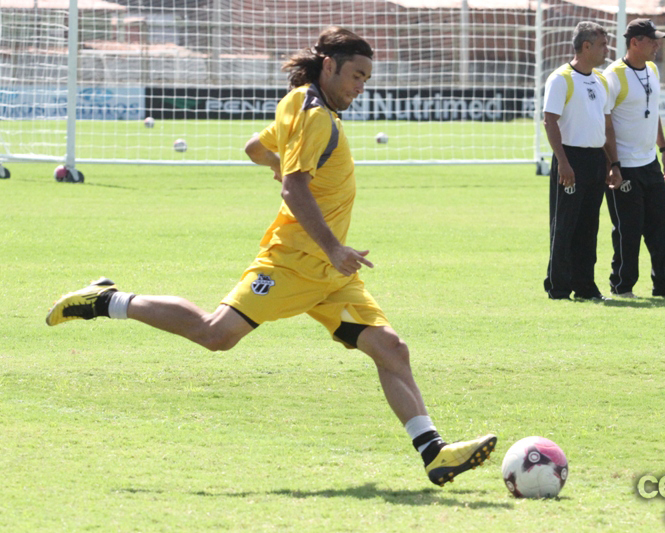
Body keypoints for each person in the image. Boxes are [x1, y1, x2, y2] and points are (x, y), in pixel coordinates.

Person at [45, 26, 496, 486]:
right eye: (356, 76)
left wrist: (282, 165)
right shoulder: (315, 113)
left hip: (329, 271)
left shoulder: (300, 103)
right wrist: (332, 242)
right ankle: (106, 300)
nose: (361, 87)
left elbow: (255, 148)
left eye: (366, 80)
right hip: (294, 261)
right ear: (330, 66)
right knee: (215, 334)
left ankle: (434, 453)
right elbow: (294, 187)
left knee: (390, 348)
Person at [602, 19, 665, 298]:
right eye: (651, 40)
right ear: (634, 42)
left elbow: (653, 111)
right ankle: (622, 286)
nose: (656, 45)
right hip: (623, 166)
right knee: (628, 228)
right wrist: (613, 165)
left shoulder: (652, 69)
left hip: (649, 163)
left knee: (664, 222)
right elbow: (605, 124)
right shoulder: (613, 75)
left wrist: (664, 150)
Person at [543, 21, 622, 301]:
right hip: (570, 157)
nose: (606, 49)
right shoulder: (561, 78)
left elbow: (605, 127)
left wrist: (613, 164)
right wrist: (563, 162)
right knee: (565, 224)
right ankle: (559, 286)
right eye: (602, 44)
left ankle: (586, 286)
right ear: (586, 46)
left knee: (589, 225)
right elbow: (549, 121)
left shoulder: (601, 80)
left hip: (595, 159)